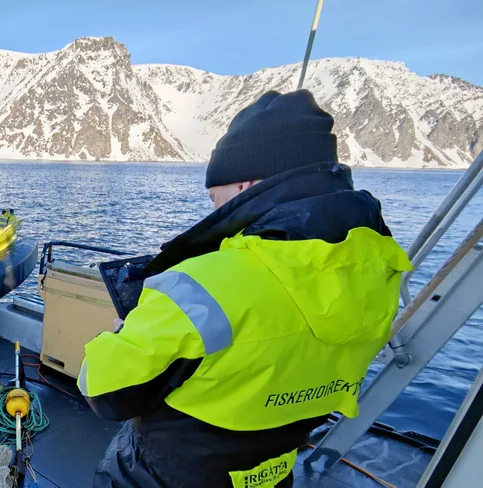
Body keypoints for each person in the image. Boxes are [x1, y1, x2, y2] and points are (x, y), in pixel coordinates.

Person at [78, 90, 412, 488]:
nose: (213, 208)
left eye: (214, 195)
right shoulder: (383, 269)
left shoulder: (201, 284)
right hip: (270, 471)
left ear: (245, 184)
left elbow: (105, 391)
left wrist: (120, 334)